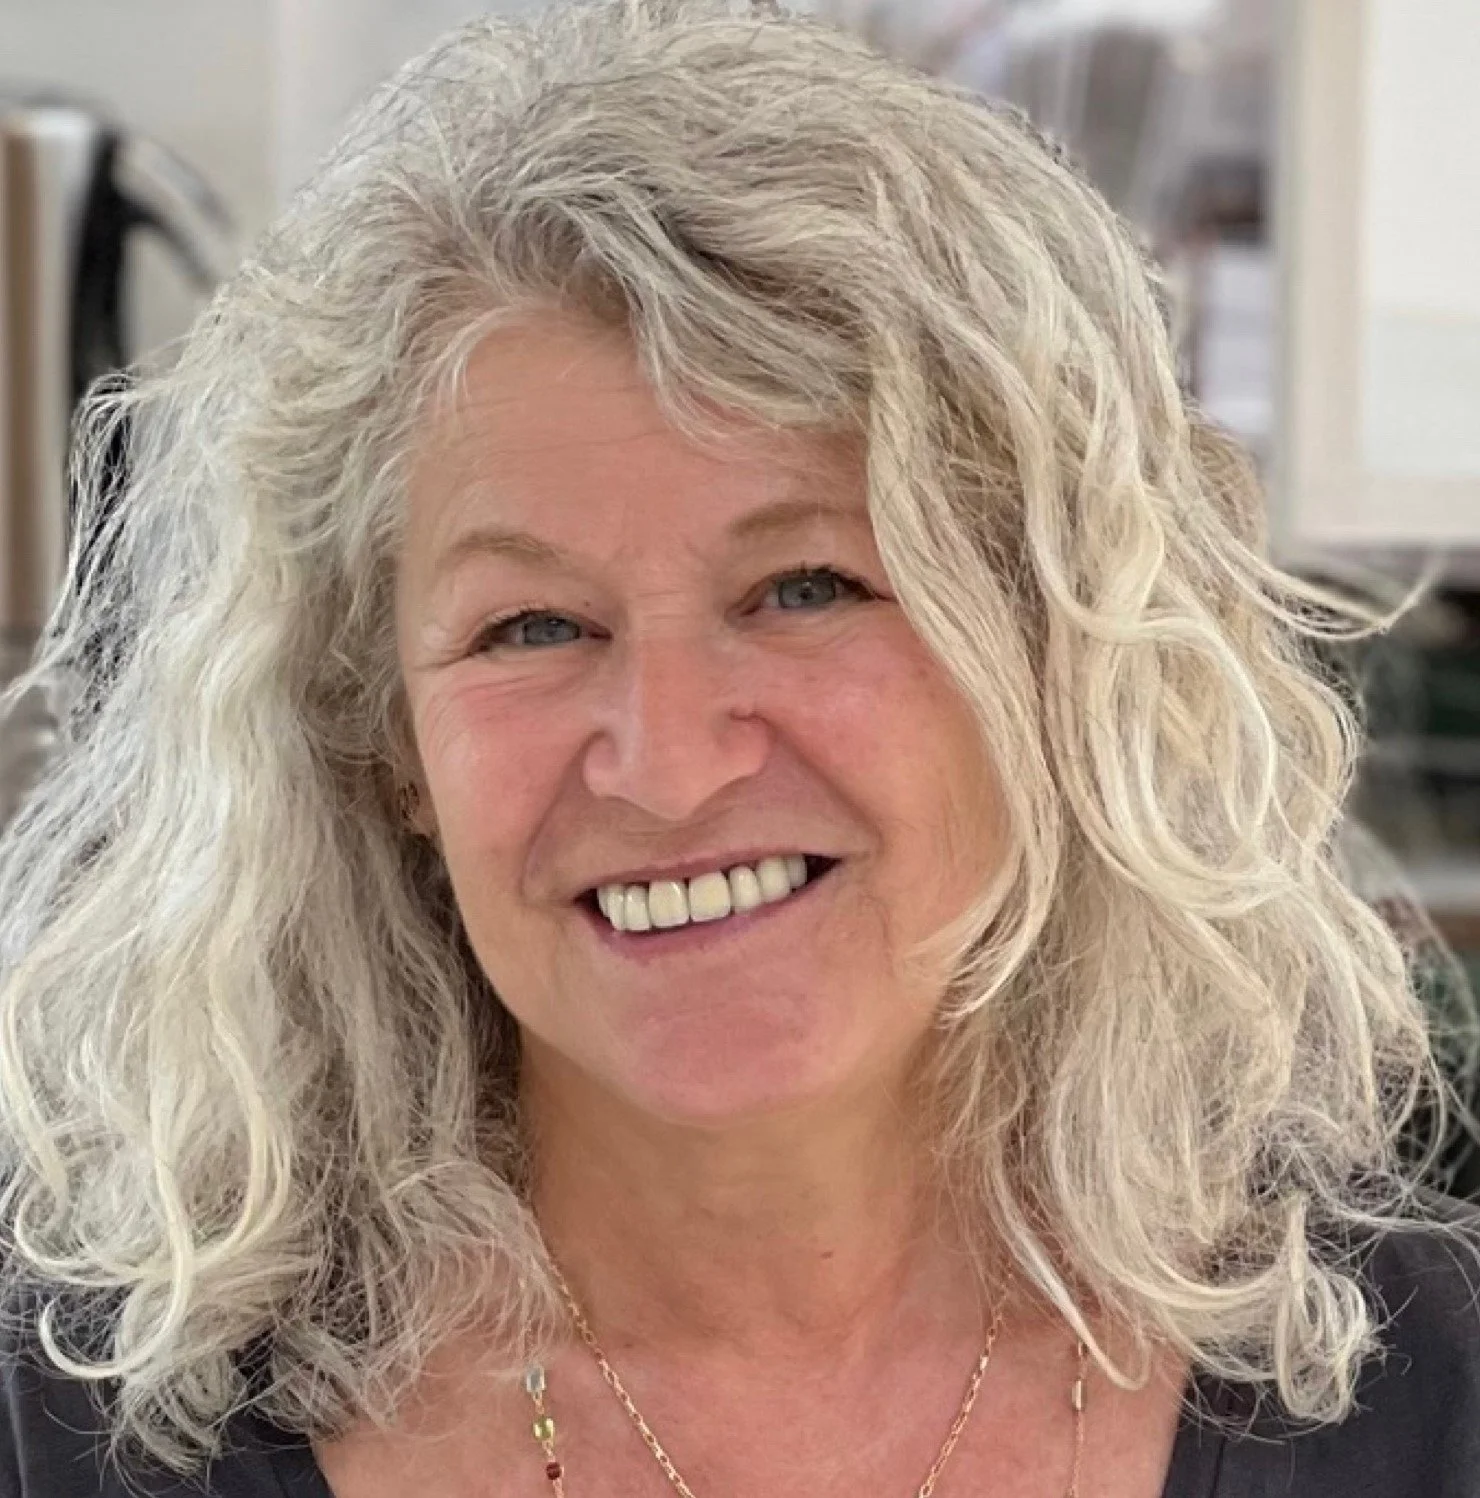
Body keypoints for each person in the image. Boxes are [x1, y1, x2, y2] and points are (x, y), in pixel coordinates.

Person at [1, 1, 1478, 1494]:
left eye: (805, 588)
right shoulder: (75, 1430)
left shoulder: (1429, 1394)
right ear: (387, 741)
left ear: (1051, 656)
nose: (668, 765)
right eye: (531, 626)